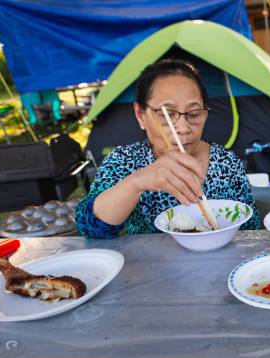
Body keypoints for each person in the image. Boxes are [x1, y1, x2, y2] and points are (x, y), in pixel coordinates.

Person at [76, 59, 260, 239]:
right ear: (140, 115)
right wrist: (137, 182)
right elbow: (90, 228)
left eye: (194, 113)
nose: (183, 127)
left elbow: (250, 229)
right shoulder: (124, 161)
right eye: (168, 114)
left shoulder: (226, 162)